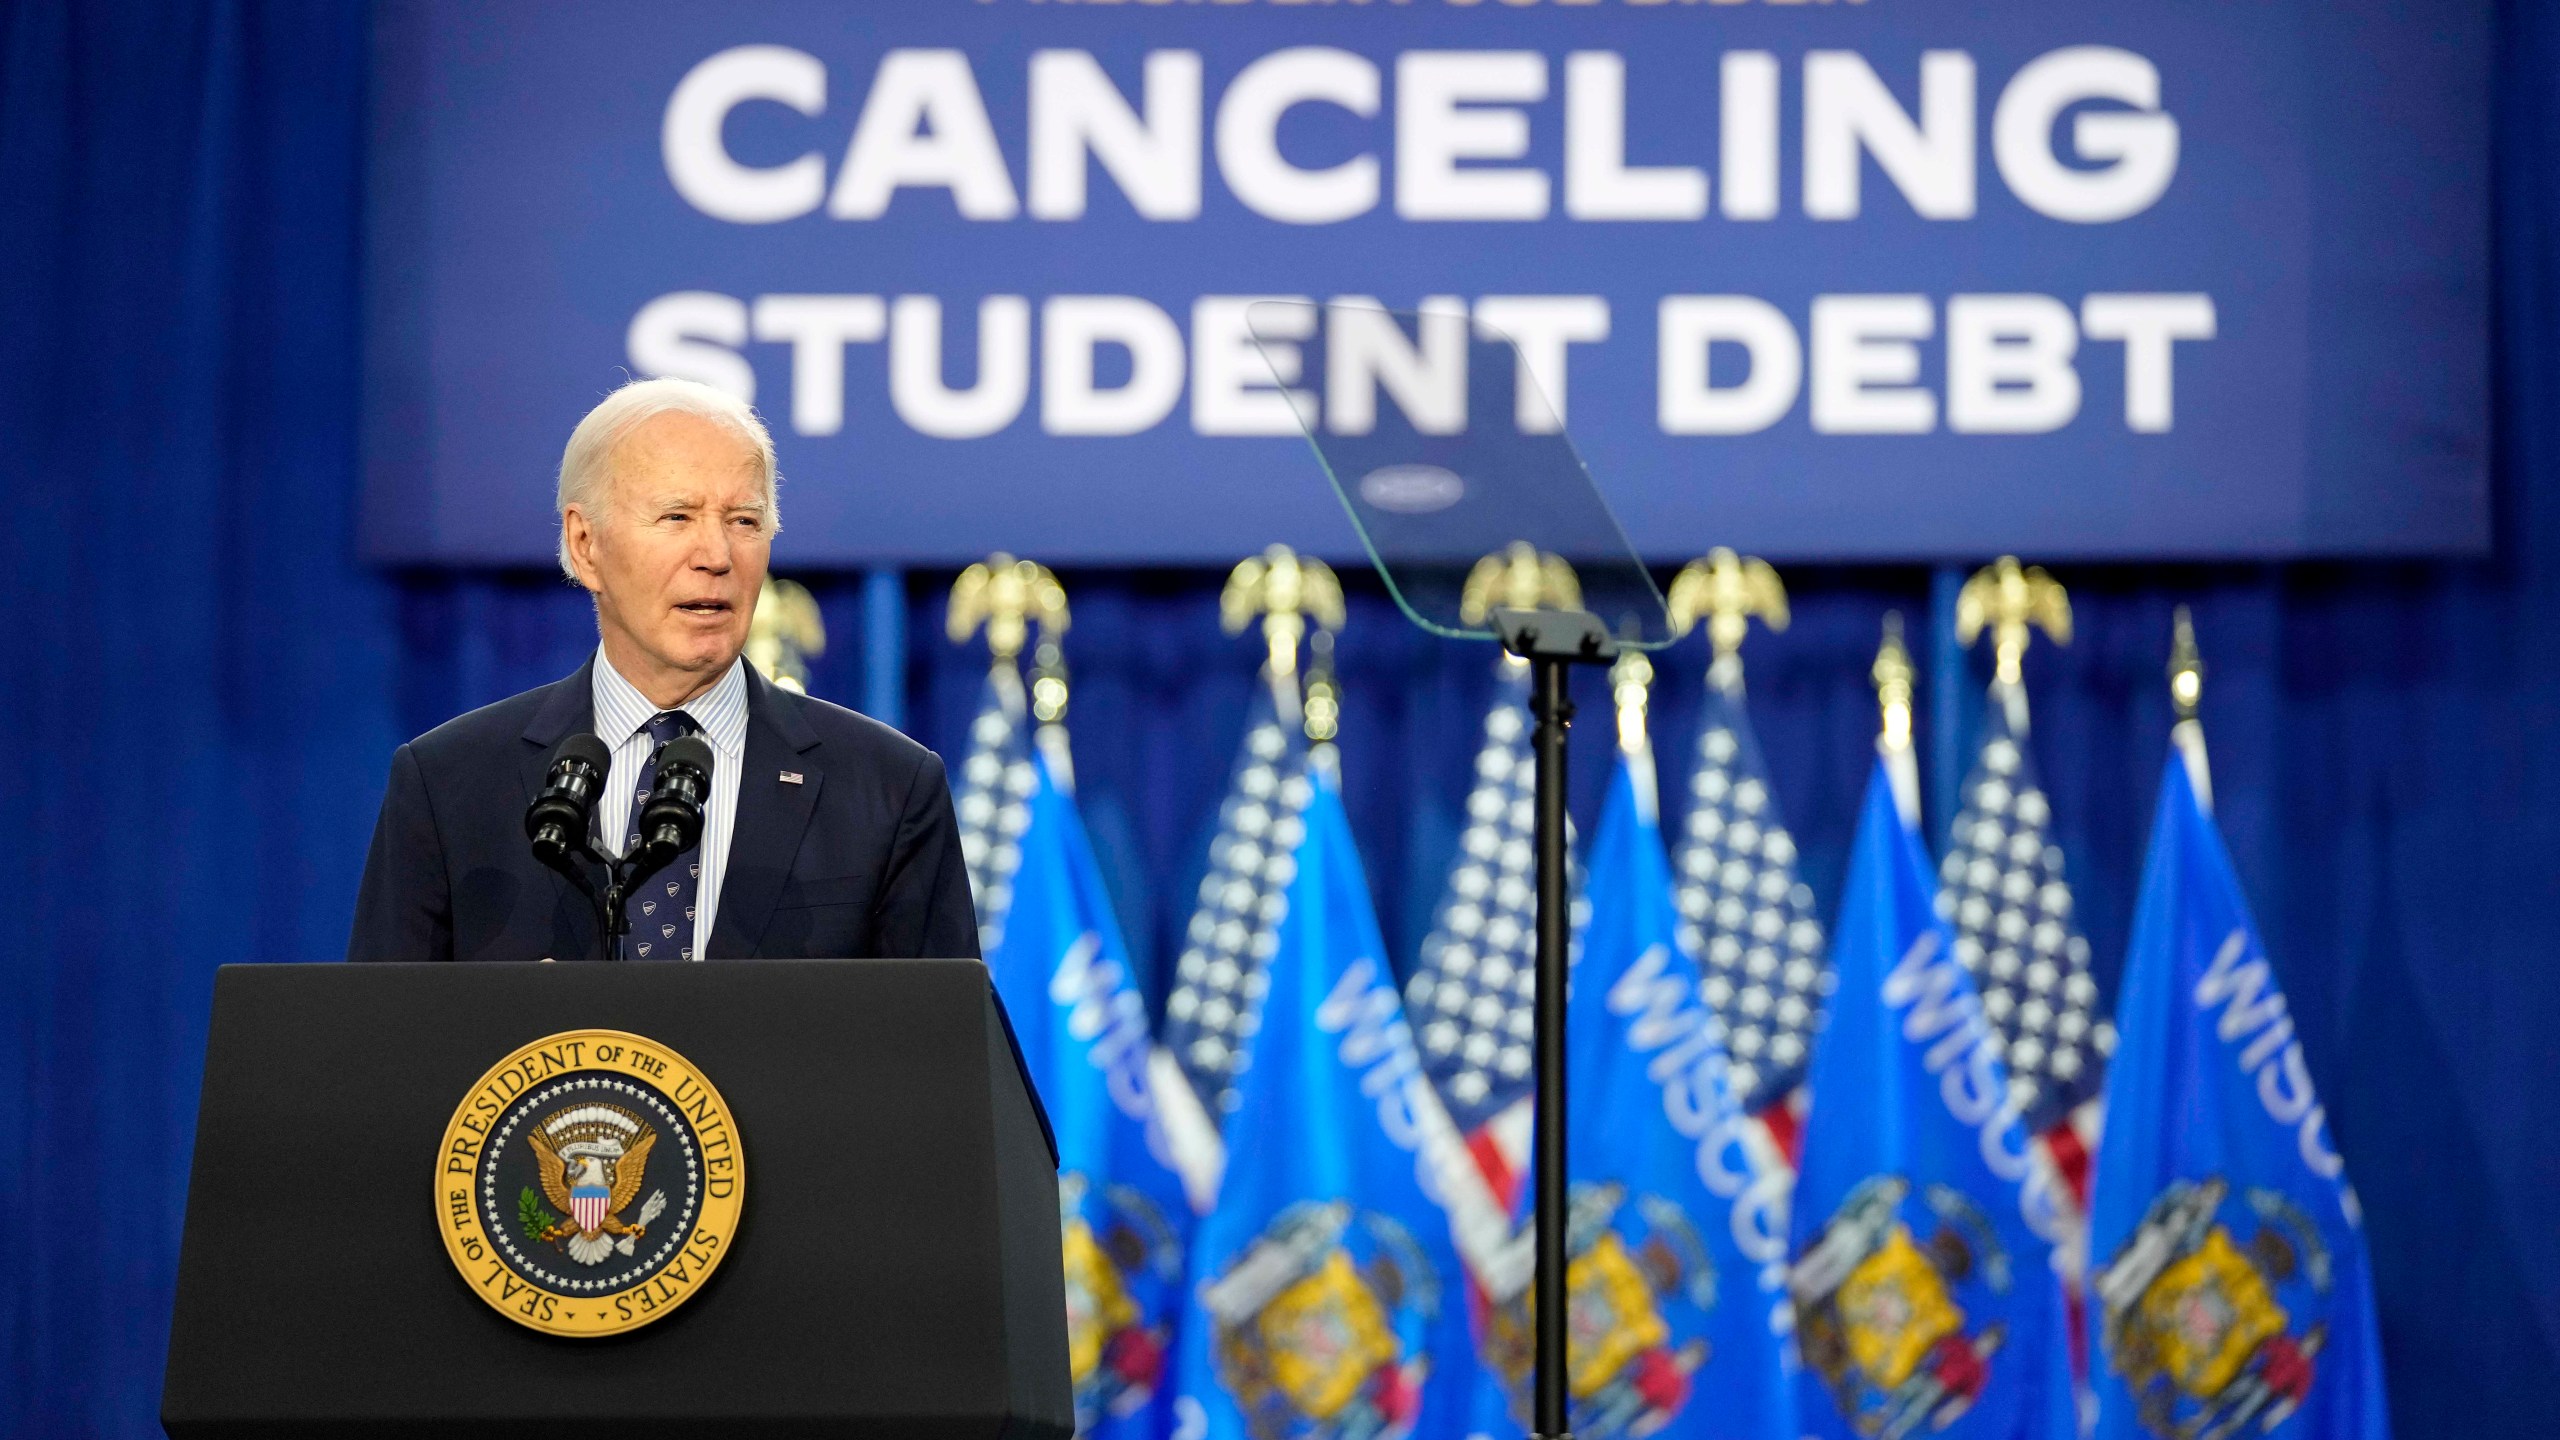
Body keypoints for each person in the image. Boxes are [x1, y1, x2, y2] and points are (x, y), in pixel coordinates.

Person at [348, 377, 976, 963]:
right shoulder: (449, 784)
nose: (717, 555)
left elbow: (941, 1062)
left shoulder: (888, 788)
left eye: (745, 521)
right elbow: (382, 1052)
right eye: (677, 516)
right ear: (584, 544)